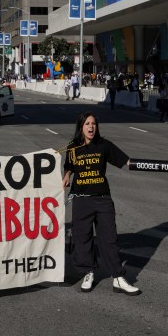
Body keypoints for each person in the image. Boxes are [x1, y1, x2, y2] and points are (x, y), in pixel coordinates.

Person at [62, 112, 140, 296]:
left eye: (93, 124)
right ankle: (88, 272)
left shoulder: (104, 145)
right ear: (81, 127)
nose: (91, 127)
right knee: (82, 238)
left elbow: (125, 161)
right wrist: (66, 176)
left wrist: (149, 165)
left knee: (109, 238)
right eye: (87, 124)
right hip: (81, 199)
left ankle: (118, 277)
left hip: (103, 199)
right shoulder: (73, 147)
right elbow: (69, 167)